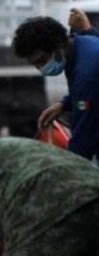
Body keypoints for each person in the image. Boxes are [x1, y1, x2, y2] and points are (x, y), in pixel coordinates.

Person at [13, 10, 99, 161]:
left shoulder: (86, 74)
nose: (41, 69)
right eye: (35, 64)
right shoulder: (81, 44)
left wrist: (66, 168)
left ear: (58, 45)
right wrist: (64, 104)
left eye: (42, 60)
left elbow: (83, 139)